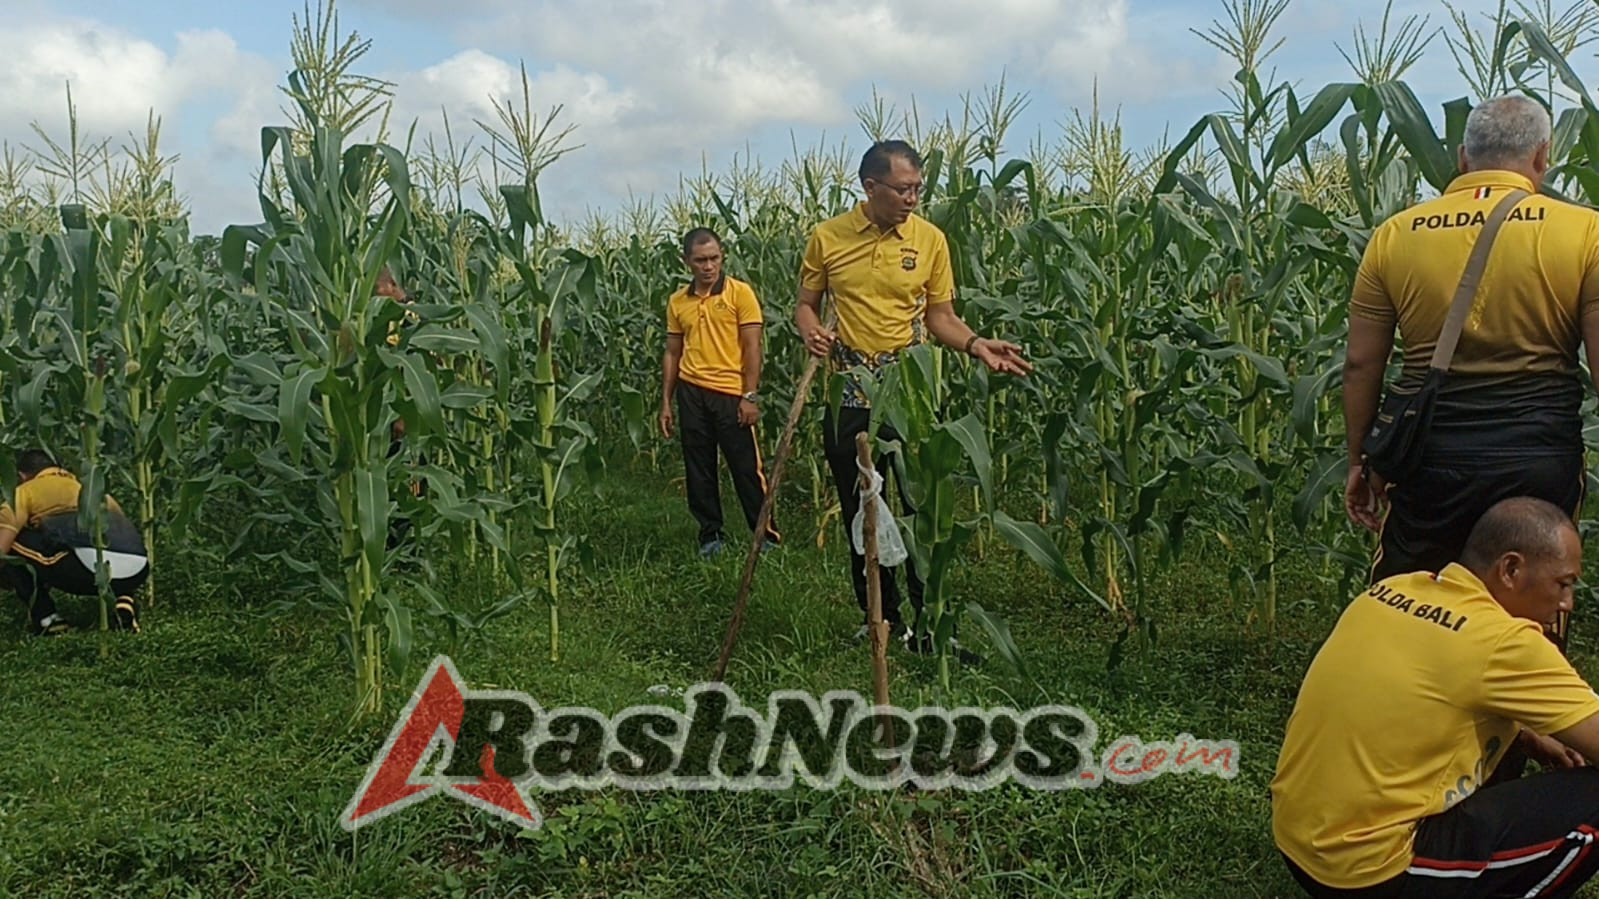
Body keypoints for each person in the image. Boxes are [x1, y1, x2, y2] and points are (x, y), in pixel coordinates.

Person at [1343, 94, 1599, 651]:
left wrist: (1360, 459)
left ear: (1463, 157)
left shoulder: (1395, 235)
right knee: (1528, 610)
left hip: (1428, 458)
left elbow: (1362, 364)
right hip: (1537, 455)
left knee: (1414, 602)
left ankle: (1408, 694)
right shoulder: (1585, 232)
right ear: (1542, 156)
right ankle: (1523, 701)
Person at [1272, 496, 1599, 897]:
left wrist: (1527, 732)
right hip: (1372, 873)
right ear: (1511, 569)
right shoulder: (1504, 643)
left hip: (1299, 845)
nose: (1567, 604)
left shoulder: (1393, 589)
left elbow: (1423, 692)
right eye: (1563, 584)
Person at [793, 139, 1031, 646]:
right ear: (870, 186)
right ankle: (881, 619)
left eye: (918, 189)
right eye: (903, 189)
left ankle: (931, 624)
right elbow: (806, 304)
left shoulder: (930, 240)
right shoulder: (828, 238)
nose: (913, 199)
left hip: (910, 393)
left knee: (923, 508)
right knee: (863, 509)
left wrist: (976, 345)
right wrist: (811, 330)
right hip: (850, 392)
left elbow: (940, 317)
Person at [659, 227, 780, 558]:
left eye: (714, 258)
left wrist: (749, 396)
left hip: (730, 392)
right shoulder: (678, 301)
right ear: (686, 261)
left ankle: (765, 535)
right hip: (691, 391)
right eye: (700, 260)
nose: (709, 266)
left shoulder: (740, 294)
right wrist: (666, 401)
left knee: (746, 468)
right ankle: (710, 536)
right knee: (699, 467)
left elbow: (752, 347)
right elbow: (672, 352)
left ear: (722, 256)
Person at [0, 449, 148, 635]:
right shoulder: (91, 487)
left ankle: (48, 619)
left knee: (13, 544)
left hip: (86, 574)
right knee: (111, 542)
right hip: (138, 570)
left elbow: (1, 550)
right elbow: (122, 529)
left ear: (22, 476)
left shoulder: (24, 493)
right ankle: (124, 603)